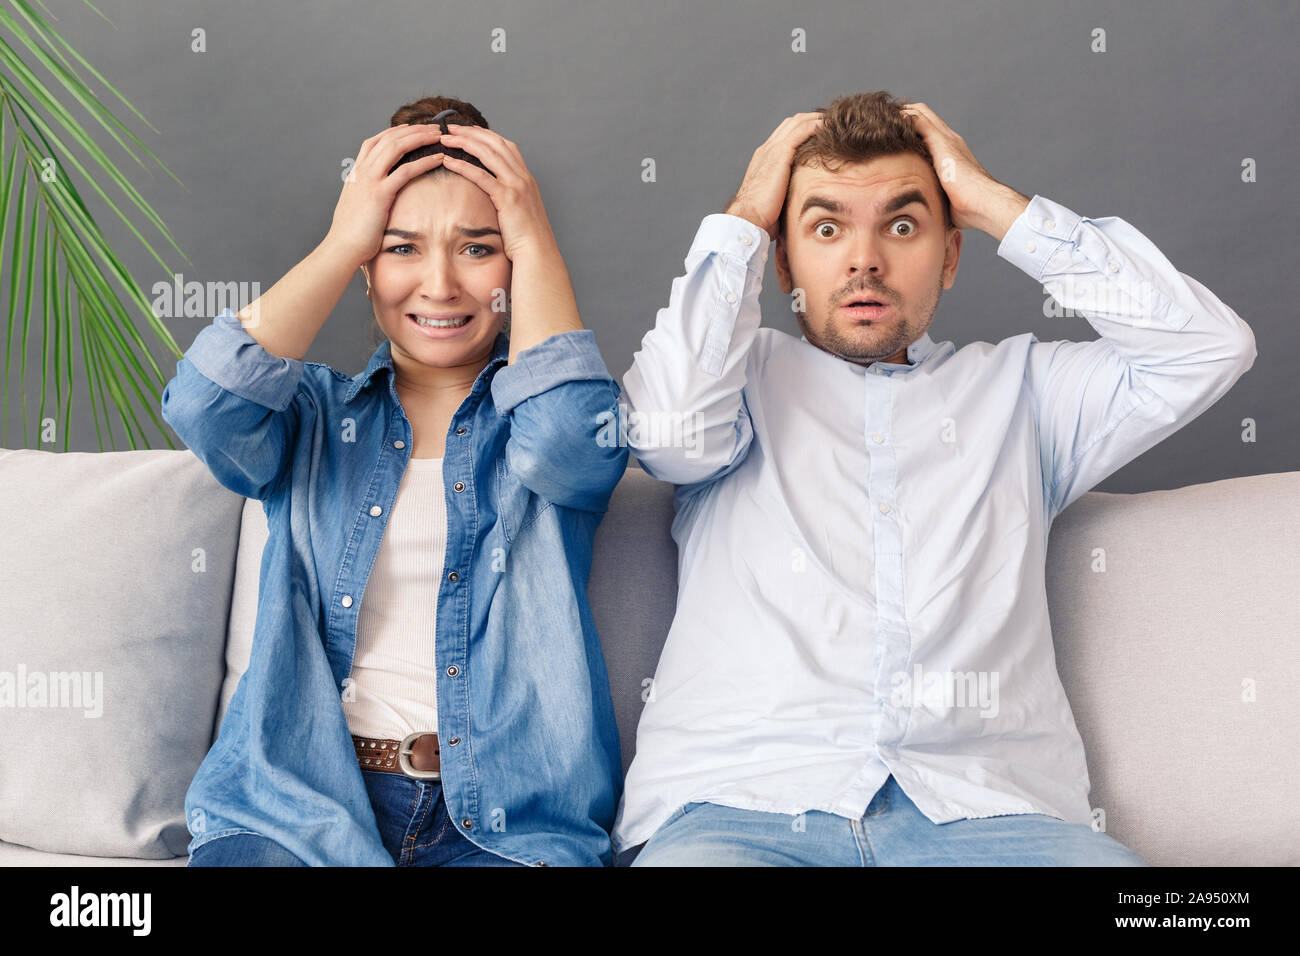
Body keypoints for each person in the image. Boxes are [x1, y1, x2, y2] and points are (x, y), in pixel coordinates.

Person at [615, 91, 1256, 866]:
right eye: (825, 229)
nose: (864, 260)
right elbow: (661, 433)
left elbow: (1208, 349)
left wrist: (994, 203)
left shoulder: (1025, 394)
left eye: (903, 225)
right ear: (782, 260)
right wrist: (746, 216)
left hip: (992, 820)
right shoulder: (731, 385)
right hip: (743, 811)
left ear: (951, 254)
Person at [161, 95, 628, 866]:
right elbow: (205, 408)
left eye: (479, 249)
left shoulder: (544, 422)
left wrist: (535, 235)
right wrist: (344, 237)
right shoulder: (310, 415)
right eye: (402, 248)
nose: (440, 286)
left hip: (508, 830)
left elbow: (574, 449)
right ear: (367, 270)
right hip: (301, 809)